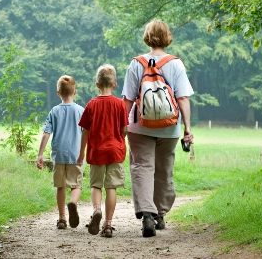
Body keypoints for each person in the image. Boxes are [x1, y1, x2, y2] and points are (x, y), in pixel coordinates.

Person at [121, 20, 194, 237]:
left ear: (147, 37)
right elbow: (182, 98)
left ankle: (147, 214)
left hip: (139, 125)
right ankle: (160, 214)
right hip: (169, 127)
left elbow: (127, 99)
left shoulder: (136, 63)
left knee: (142, 167)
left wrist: (121, 124)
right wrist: (188, 128)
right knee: (163, 169)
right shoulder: (176, 64)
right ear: (167, 37)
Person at [77, 64, 128, 238]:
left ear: (97, 84)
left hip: (96, 152)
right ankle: (107, 224)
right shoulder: (120, 104)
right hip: (115, 151)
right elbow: (124, 130)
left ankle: (97, 209)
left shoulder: (91, 105)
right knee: (111, 186)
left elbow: (85, 131)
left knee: (96, 185)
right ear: (114, 85)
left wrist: (81, 153)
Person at [36, 75, 84, 230]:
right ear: (75, 91)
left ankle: (62, 218)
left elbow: (46, 134)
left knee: (60, 186)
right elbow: (87, 132)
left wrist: (40, 154)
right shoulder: (80, 111)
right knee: (76, 185)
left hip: (59, 155)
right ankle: (73, 203)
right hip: (76, 155)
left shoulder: (54, 111)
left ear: (58, 93)